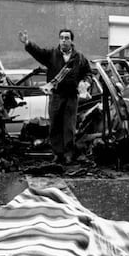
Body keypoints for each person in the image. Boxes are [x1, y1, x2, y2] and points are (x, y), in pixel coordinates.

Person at [18, 28, 92, 164]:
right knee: (55, 126)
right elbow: (38, 52)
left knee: (69, 127)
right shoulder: (51, 54)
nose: (64, 40)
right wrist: (27, 43)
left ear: (72, 40)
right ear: (59, 40)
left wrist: (85, 82)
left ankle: (69, 154)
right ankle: (58, 154)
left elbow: (88, 72)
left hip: (71, 97)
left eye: (67, 38)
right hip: (56, 96)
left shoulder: (79, 57)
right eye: (62, 38)